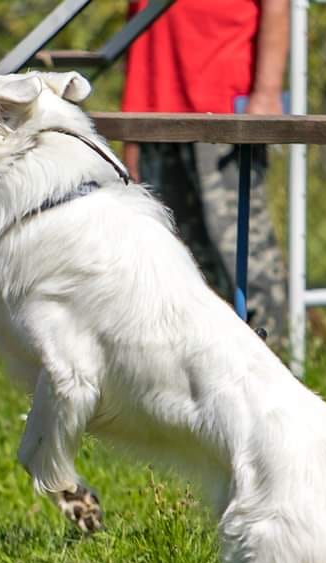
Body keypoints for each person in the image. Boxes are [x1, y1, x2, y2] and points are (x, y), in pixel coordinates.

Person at [122, 0, 290, 350]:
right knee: (172, 268)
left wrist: (267, 93)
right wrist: (131, 131)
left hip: (222, 116)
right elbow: (138, 32)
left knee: (244, 263)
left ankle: (280, 372)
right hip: (154, 121)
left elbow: (277, 5)